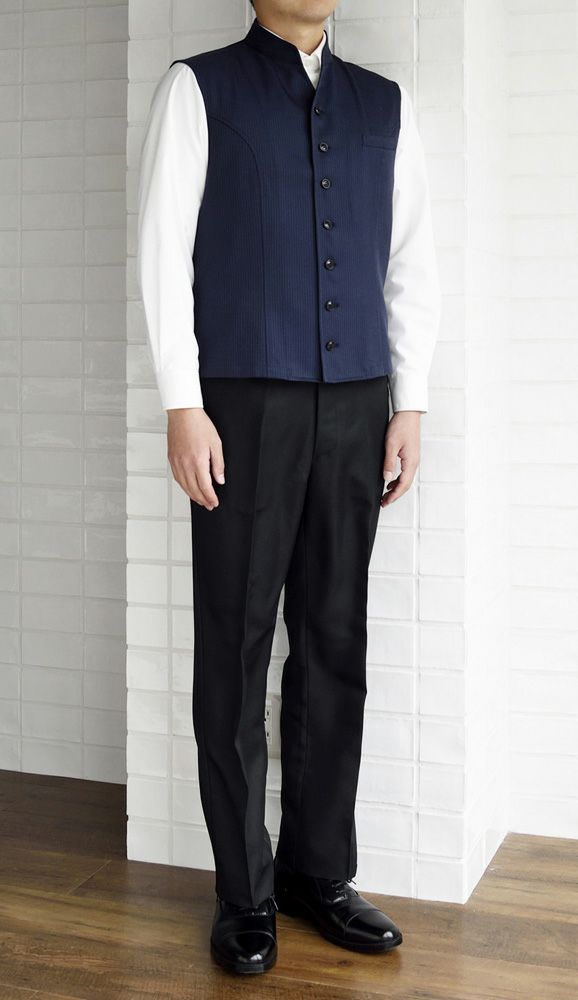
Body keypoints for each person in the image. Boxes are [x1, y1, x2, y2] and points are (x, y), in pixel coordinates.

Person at [137, 0, 441, 976]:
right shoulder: (199, 90)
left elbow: (410, 262)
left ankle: (319, 873)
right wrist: (183, 403)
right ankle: (244, 892)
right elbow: (162, 250)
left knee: (335, 639)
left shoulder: (385, 106)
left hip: (357, 402)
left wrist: (410, 401)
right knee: (234, 640)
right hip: (240, 403)